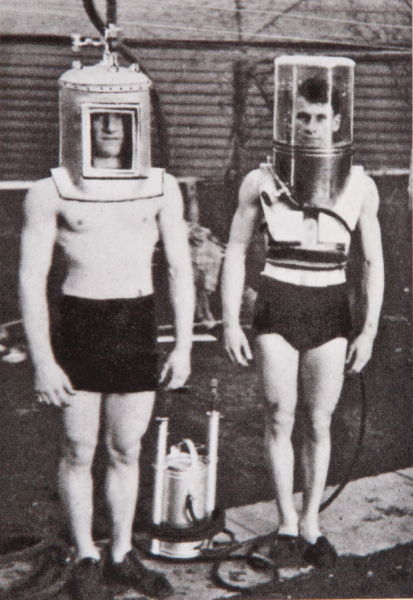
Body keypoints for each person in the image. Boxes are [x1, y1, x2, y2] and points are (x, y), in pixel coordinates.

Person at [19, 108, 194, 599]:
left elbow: (180, 269)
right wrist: (43, 360)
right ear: (81, 121)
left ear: (137, 121)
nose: (111, 127)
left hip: (135, 325)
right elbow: (31, 279)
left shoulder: (161, 186)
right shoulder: (50, 190)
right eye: (100, 117)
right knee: (78, 448)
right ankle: (85, 555)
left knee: (125, 448)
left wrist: (183, 346)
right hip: (79, 325)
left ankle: (120, 552)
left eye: (121, 116)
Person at [222, 62, 384, 568]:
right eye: (302, 117)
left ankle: (311, 523)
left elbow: (374, 263)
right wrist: (230, 321)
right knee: (278, 414)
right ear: (290, 120)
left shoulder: (359, 185)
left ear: (336, 121)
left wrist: (369, 331)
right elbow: (235, 249)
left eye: (319, 117)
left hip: (329, 307)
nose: (311, 126)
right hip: (278, 302)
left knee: (318, 421)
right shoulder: (261, 180)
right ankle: (286, 523)